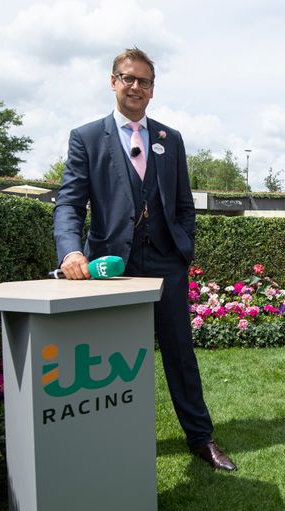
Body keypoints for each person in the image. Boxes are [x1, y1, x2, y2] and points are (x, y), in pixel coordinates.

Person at [53, 48, 236, 471]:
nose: (136, 87)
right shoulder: (85, 137)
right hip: (110, 268)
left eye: (145, 81)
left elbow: (185, 205)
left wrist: (183, 245)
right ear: (113, 81)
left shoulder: (170, 140)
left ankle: (201, 438)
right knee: (109, 359)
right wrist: (71, 251)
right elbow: (68, 205)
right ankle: (110, 444)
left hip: (166, 264)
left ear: (153, 90)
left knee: (179, 354)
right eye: (128, 78)